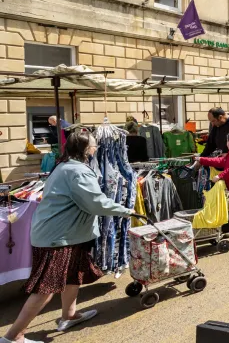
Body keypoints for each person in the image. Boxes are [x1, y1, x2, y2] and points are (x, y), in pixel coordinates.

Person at [2, 131, 133, 343]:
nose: (96, 148)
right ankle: (13, 336)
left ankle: (69, 315)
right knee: (45, 288)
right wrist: (126, 210)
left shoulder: (65, 165)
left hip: (65, 234)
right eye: (93, 145)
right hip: (58, 237)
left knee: (74, 276)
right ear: (85, 149)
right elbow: (95, 203)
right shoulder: (78, 171)